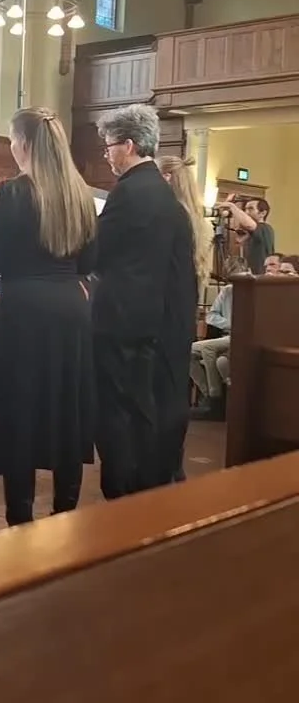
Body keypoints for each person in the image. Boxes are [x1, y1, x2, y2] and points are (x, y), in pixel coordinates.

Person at [0, 108, 97, 526]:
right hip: (70, 308)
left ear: (24, 144)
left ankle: (21, 518)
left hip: (23, 309)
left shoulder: (12, 193)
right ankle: (66, 512)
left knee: (20, 408)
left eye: (12, 140)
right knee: (68, 405)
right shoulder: (81, 196)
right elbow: (89, 263)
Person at [93, 104, 197, 498]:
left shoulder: (128, 192)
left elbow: (96, 252)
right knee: (146, 415)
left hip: (123, 326)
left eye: (109, 147)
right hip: (159, 326)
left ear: (129, 145)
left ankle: (122, 495)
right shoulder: (166, 196)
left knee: (118, 417)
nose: (107, 155)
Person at [156, 153, 212, 481]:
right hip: (184, 312)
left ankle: (162, 463)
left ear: (166, 180)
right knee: (175, 389)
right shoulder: (196, 221)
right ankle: (173, 462)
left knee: (162, 390)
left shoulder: (171, 219)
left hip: (166, 312)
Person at [190, 257, 250, 420]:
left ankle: (215, 399)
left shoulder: (252, 290)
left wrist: (238, 327)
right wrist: (229, 323)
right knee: (188, 352)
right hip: (227, 333)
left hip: (242, 336)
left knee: (207, 348)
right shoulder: (227, 291)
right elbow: (211, 316)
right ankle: (208, 394)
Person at [222, 195, 274, 275]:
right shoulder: (251, 233)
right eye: (245, 209)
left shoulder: (265, 228)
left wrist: (231, 206)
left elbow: (249, 225)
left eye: (250, 209)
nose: (246, 212)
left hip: (260, 278)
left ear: (263, 213)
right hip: (249, 277)